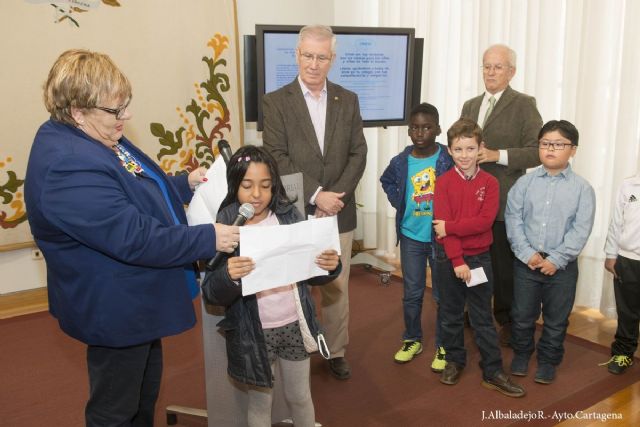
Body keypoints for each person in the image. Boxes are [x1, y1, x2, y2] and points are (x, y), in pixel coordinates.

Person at [23, 49, 239, 426]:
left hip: (137, 300)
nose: (126, 116)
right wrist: (210, 238)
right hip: (116, 306)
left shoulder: (90, 136)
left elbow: (130, 193)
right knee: (115, 409)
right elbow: (135, 238)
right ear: (78, 110)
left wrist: (182, 185)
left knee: (142, 397)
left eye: (126, 105)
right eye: (115, 110)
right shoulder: (69, 163)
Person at [201, 145, 340, 427]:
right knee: (260, 402)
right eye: (247, 185)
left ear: (274, 185)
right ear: (234, 185)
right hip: (253, 332)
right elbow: (211, 292)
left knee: (300, 396)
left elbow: (312, 272)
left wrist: (329, 265)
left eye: (265, 185)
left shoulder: (288, 215)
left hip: (294, 324)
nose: (256, 195)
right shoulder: (226, 224)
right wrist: (229, 275)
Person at [262, 24, 367, 380]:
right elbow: (275, 156)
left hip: (339, 210)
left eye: (321, 57)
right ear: (297, 55)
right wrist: (315, 195)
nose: (314, 63)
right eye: (308, 55)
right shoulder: (275, 102)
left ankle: (335, 350)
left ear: (332, 59)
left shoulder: (347, 99)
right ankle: (299, 348)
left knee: (337, 286)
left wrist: (334, 198)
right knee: (294, 285)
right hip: (295, 211)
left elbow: (358, 153)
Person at [432, 118, 525, 398]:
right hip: (449, 259)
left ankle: (493, 370)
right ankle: (454, 360)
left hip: (480, 259)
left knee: (483, 316)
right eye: (458, 150)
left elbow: (484, 223)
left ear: (480, 148)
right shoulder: (444, 183)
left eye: (470, 149)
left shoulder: (491, 182)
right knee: (449, 315)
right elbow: (441, 229)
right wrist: (458, 260)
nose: (464, 156)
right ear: (449, 151)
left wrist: (450, 226)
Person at [460, 44, 543, 346]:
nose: (490, 72)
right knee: (475, 260)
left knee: (504, 267)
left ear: (511, 71)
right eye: (486, 66)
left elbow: (537, 151)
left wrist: (498, 155)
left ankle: (507, 318)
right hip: (470, 199)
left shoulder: (524, 104)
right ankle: (477, 310)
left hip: (505, 200)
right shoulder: (470, 105)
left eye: (497, 67)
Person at [505, 120, 595, 384]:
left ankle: (548, 360)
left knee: (556, 320)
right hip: (527, 263)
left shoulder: (582, 189)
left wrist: (556, 259)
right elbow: (513, 219)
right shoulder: (525, 183)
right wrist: (527, 253)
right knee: (522, 316)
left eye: (559, 144)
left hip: (562, 268)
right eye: (545, 144)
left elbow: (581, 229)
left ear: (573, 150)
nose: (550, 149)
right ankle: (522, 354)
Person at [380, 102, 453, 370]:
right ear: (409, 130)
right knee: (412, 292)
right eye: (415, 127)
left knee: (442, 296)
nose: (420, 133)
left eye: (426, 127)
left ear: (438, 129)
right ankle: (412, 339)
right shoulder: (401, 161)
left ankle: (445, 344)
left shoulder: (448, 157)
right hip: (411, 236)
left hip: (440, 238)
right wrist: (398, 201)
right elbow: (386, 180)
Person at [601, 171, 640, 375]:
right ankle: (624, 352)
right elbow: (617, 222)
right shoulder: (629, 185)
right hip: (628, 259)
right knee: (627, 311)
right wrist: (611, 254)